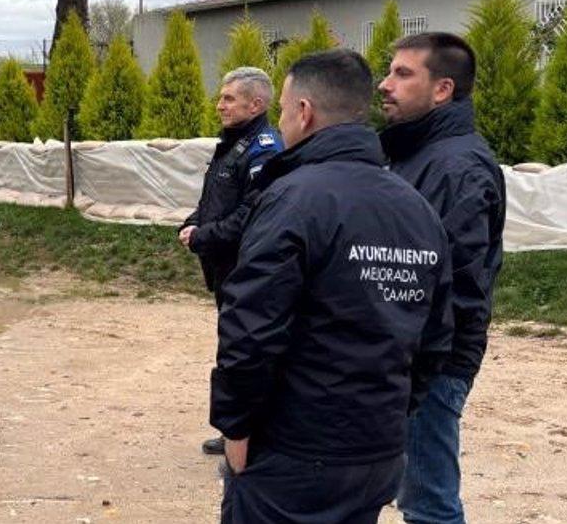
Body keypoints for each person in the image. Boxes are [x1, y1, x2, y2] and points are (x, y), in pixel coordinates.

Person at [212, 49, 453, 524]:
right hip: (377, 453)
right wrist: (395, 415)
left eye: (281, 110)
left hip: (295, 452)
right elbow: (436, 334)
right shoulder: (415, 207)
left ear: (304, 112)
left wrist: (235, 427)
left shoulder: (293, 198)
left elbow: (250, 329)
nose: (280, 125)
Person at [378, 33, 506, 524]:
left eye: (403, 74)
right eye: (389, 72)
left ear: (442, 89)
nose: (385, 85)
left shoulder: (457, 167)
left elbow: (456, 283)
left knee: (429, 501)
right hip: (408, 354)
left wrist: (422, 363)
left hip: (431, 360)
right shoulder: (415, 153)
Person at [178, 66, 282, 456]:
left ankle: (245, 435)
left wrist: (204, 236)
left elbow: (254, 214)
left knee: (245, 354)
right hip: (227, 270)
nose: (219, 105)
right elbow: (218, 201)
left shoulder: (264, 148)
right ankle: (239, 431)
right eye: (221, 97)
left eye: (228, 98)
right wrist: (193, 223)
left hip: (248, 271)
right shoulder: (235, 143)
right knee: (235, 350)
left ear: (256, 104)